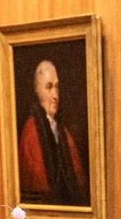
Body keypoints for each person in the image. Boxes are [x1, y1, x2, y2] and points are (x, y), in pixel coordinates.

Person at [18, 58, 88, 207]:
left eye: (57, 87)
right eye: (49, 88)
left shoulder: (63, 133)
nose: (55, 95)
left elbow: (79, 181)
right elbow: (37, 184)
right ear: (38, 91)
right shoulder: (31, 132)